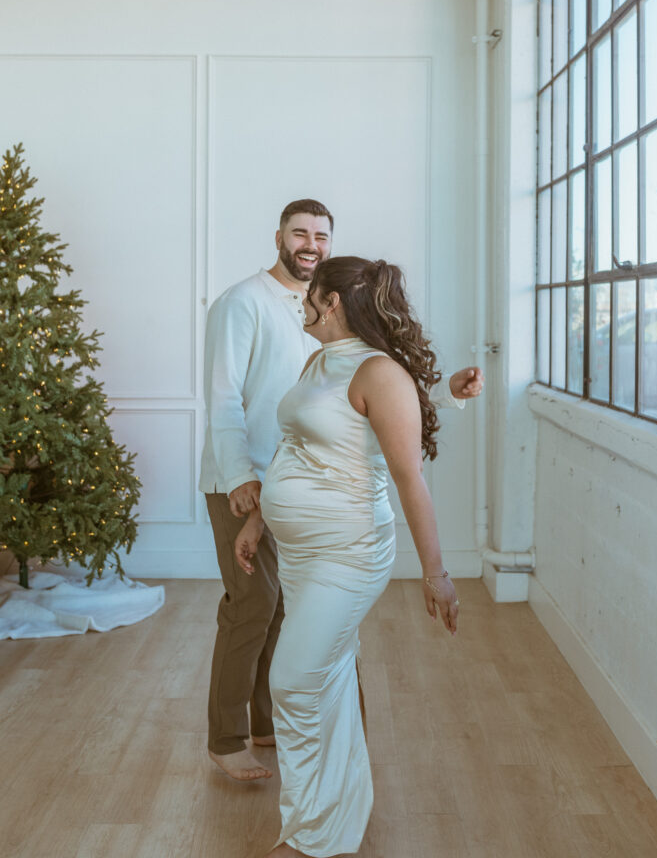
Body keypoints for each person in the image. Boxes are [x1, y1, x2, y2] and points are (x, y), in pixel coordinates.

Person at [199, 199, 483, 782]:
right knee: (254, 608)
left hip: (320, 496)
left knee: (297, 621)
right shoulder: (241, 303)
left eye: (321, 235)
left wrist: (445, 391)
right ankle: (228, 739)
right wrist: (243, 482)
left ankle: (281, 730)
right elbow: (224, 399)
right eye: (300, 233)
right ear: (278, 236)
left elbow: (370, 394)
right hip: (246, 480)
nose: (311, 244)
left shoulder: (336, 309)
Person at [234, 256, 462, 858]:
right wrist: (260, 520)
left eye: (309, 294)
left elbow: (411, 479)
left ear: (331, 300)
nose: (300, 301)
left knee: (292, 680)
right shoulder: (318, 361)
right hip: (303, 555)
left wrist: (436, 574)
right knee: (326, 684)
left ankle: (310, 835)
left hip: (349, 553)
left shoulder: (378, 372)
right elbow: (294, 448)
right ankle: (331, 825)